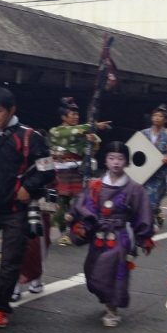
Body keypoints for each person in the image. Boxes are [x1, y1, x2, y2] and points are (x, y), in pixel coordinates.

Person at [0, 88, 54, 328]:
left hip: (17, 210)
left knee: (10, 260)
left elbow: (47, 170)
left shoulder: (30, 137)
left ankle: (0, 309)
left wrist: (29, 186)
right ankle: (1, 292)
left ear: (12, 110)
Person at [67, 142, 153, 327]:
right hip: (99, 234)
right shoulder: (95, 185)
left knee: (114, 270)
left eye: (120, 158)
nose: (116, 162)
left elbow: (142, 213)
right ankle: (106, 299)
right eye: (112, 158)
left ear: (127, 162)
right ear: (105, 161)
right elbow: (82, 204)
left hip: (120, 235)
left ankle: (112, 309)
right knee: (92, 271)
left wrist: (144, 237)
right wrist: (74, 215)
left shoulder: (134, 189)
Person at [47, 97, 108, 246]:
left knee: (80, 203)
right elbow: (70, 133)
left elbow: (94, 145)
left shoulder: (80, 132)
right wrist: (93, 126)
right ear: (63, 117)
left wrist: (91, 139)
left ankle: (79, 231)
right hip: (60, 173)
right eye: (71, 114)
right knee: (61, 204)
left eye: (76, 114)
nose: (75, 117)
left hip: (77, 172)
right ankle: (63, 232)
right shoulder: (56, 131)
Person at [140, 104, 167, 226]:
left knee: (151, 201)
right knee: (141, 200)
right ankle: (156, 213)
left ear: (165, 120)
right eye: (155, 115)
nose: (157, 118)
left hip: (158, 176)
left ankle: (146, 224)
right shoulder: (143, 134)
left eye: (160, 116)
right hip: (142, 172)